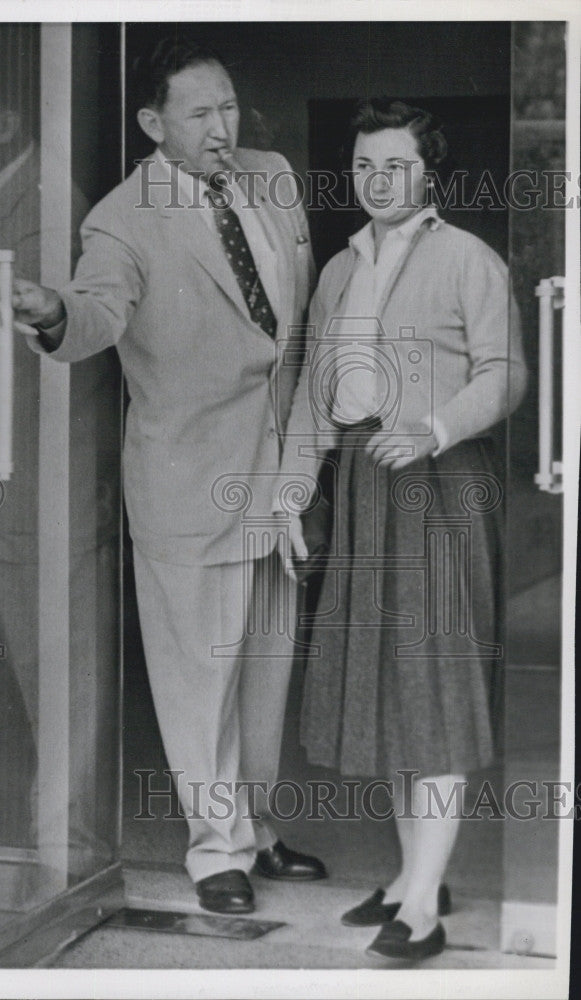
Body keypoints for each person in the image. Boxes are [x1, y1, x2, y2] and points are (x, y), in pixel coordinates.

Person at [0, 36, 326, 914]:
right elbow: (99, 306)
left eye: (229, 107)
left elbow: (292, 311)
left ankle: (257, 826)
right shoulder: (120, 220)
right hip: (186, 477)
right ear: (152, 123)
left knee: (263, 666)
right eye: (200, 114)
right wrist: (55, 312)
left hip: (280, 468)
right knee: (196, 674)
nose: (223, 127)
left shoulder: (274, 174)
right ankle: (216, 852)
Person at [278, 99, 527, 960]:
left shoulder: (470, 260)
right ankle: (411, 872)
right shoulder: (340, 270)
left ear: (427, 173)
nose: (375, 181)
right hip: (359, 486)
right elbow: (314, 389)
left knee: (436, 690)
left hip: (439, 485)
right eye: (363, 166)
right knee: (385, 691)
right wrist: (290, 490)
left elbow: (505, 376)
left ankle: (420, 903)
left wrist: (433, 425)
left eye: (393, 165)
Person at [0, 24, 122, 878]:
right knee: (40, 678)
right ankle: (57, 847)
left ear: (0, 119)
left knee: (62, 681)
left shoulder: (42, 205)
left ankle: (73, 856)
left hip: (41, 490)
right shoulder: (0, 197)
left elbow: (32, 362)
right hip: (12, 489)